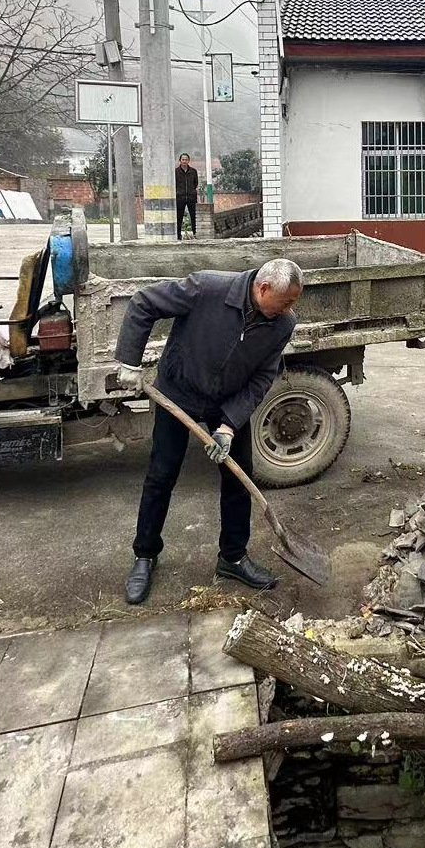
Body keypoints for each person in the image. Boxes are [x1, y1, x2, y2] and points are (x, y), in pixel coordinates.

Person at [114, 257, 303, 604]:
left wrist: (229, 425)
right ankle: (145, 555)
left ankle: (232, 558)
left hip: (227, 402)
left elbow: (263, 377)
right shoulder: (207, 288)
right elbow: (144, 302)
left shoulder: (282, 324)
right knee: (161, 475)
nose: (291, 308)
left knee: (237, 478)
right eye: (287, 301)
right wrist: (130, 360)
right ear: (263, 289)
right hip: (179, 391)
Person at [175, 153, 199, 239]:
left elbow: (195, 183)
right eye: (183, 159)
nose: (184, 161)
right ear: (180, 161)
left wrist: (191, 191)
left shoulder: (193, 171)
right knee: (179, 216)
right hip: (179, 197)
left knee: (194, 216)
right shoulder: (176, 172)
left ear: (188, 161)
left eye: (186, 160)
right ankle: (178, 235)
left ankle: (195, 233)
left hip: (191, 197)